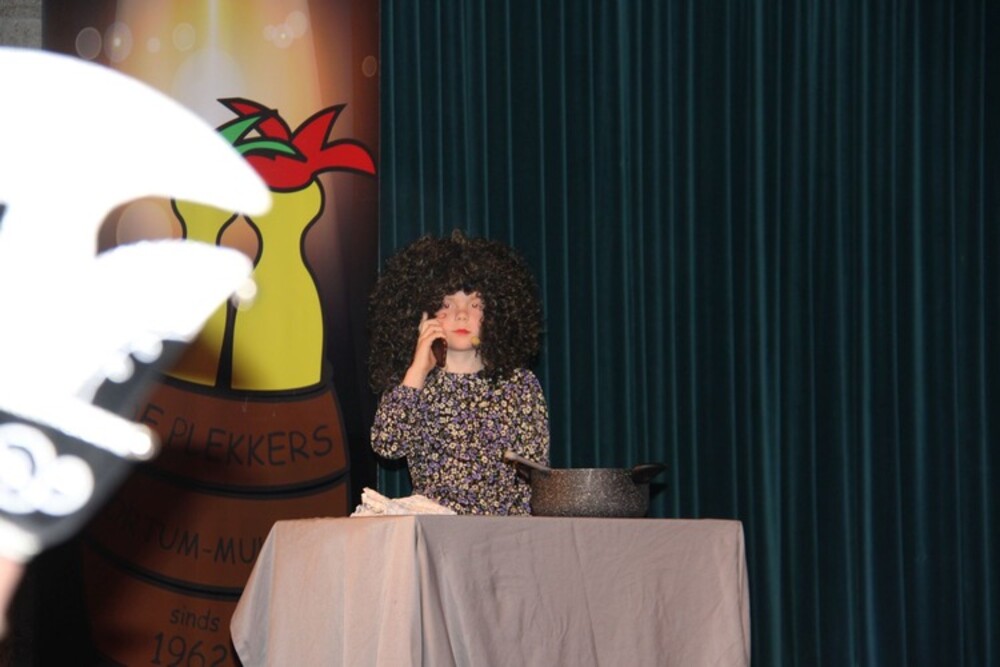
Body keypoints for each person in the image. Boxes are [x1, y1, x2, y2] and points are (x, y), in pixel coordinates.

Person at [368, 230, 550, 515]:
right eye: (446, 304)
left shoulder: (520, 385)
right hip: (435, 531)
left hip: (501, 533)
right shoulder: (413, 384)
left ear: (495, 314)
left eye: (475, 304)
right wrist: (418, 368)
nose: (461, 314)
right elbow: (387, 445)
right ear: (422, 314)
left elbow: (535, 480)